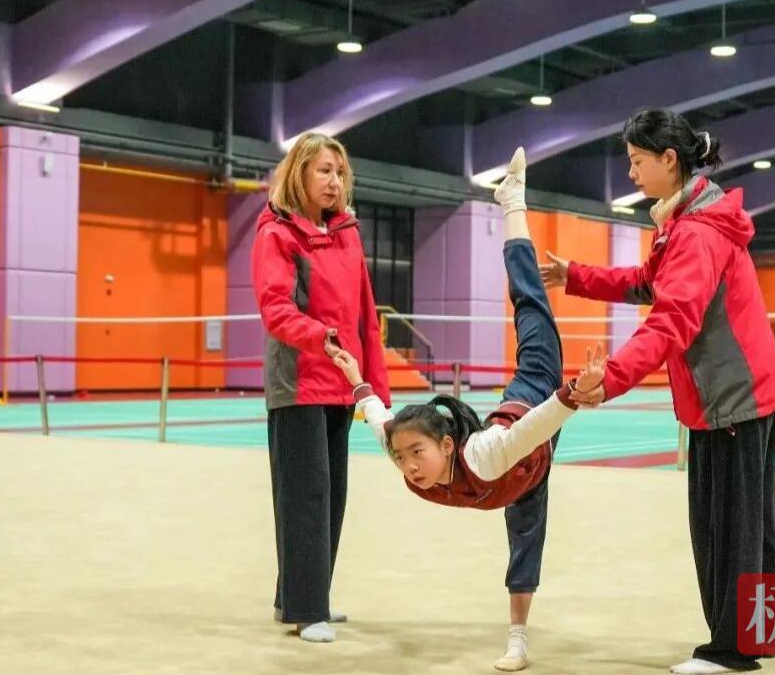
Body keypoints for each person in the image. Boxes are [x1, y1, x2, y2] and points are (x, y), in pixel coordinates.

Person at [330, 147, 605, 672]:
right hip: (523, 473)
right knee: (527, 535)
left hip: (534, 396)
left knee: (529, 302)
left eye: (417, 453)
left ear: (447, 444)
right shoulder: (404, 454)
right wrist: (356, 378)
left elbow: (538, 424)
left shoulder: (486, 454)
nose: (409, 465)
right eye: (402, 457)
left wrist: (573, 391)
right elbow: (377, 416)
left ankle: (512, 200)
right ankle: (520, 639)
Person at [539, 109, 775, 674]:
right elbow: (648, 283)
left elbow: (671, 321)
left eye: (636, 161)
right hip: (749, 392)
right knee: (752, 522)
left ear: (669, 160)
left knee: (726, 527)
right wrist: (575, 275)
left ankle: (731, 651)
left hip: (730, 398)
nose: (630, 173)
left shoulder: (695, 233)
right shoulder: (691, 220)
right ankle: (759, 634)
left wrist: (610, 379)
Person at [251, 132, 391, 643]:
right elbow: (275, 309)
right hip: (298, 383)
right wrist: (319, 337)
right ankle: (307, 610)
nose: (334, 182)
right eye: (323, 171)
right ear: (300, 174)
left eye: (339, 172)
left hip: (341, 383)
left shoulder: (348, 233)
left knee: (331, 495)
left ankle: (303, 596)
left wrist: (375, 387)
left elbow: (366, 315)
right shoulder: (276, 234)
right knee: (304, 496)